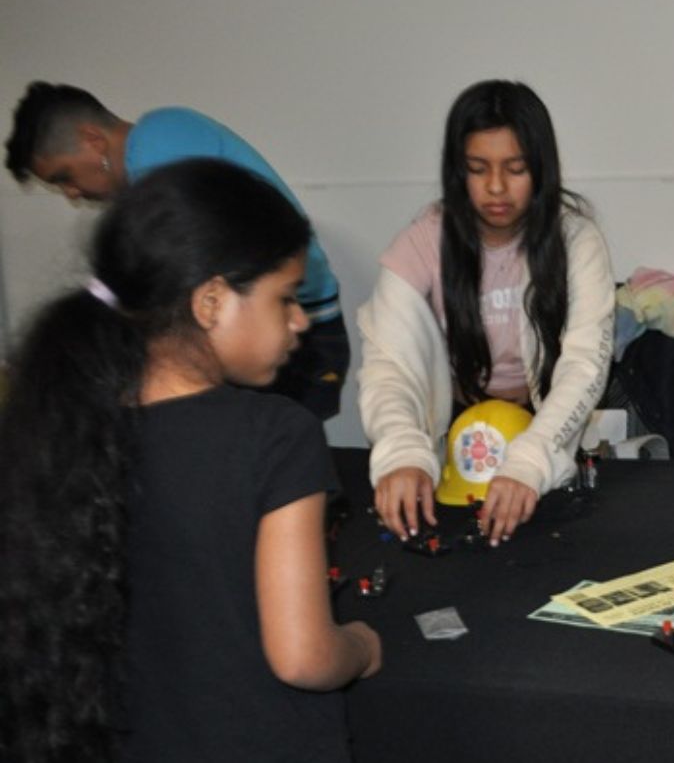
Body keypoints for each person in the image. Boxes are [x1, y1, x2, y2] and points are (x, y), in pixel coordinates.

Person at [0, 161, 381, 762]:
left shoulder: (69, 430)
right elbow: (303, 655)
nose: (300, 322)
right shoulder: (279, 436)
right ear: (210, 302)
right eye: (285, 298)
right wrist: (360, 646)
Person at [358, 80, 614, 546]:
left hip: (545, 426)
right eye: (478, 169)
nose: (496, 188)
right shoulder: (421, 243)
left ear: (541, 170)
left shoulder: (576, 240)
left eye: (515, 169)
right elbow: (387, 366)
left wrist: (530, 460)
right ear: (458, 172)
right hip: (456, 430)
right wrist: (402, 454)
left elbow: (584, 366)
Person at [3, 82, 349, 420]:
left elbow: (169, 282)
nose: (72, 193)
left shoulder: (158, 144)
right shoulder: (162, 143)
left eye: (65, 176)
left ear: (93, 141)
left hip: (296, 335)